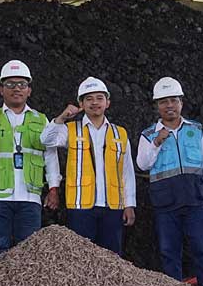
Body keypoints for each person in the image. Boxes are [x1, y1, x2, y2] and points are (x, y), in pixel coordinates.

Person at [0, 59, 61, 262]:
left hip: (29, 196)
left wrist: (53, 188)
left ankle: (27, 285)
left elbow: (50, 155)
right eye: (10, 84)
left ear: (29, 90)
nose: (17, 89)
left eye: (22, 84)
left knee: (30, 252)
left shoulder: (40, 119)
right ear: (1, 90)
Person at [136, 77, 203, 286]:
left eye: (173, 100)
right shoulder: (148, 135)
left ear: (181, 102)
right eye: (164, 101)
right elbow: (142, 164)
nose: (169, 105)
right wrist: (157, 142)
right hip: (165, 202)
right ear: (157, 105)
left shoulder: (196, 129)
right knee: (169, 253)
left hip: (194, 199)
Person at [41, 77, 136, 254]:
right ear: (81, 104)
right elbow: (46, 140)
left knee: (112, 258)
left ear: (107, 102)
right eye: (89, 99)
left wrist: (129, 204)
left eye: (99, 98)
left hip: (113, 207)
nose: (95, 103)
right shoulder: (70, 129)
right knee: (81, 257)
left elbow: (127, 171)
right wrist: (61, 118)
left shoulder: (120, 133)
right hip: (80, 207)